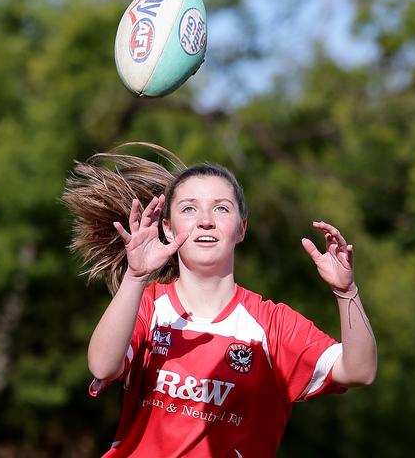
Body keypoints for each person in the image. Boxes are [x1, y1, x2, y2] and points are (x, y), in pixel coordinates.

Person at [63, 143, 377, 457]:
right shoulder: (149, 306)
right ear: (169, 229)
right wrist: (135, 275)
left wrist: (346, 292)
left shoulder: (272, 325)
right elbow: (103, 366)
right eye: (189, 208)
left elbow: (359, 371)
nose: (206, 221)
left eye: (221, 208)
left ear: (241, 229)